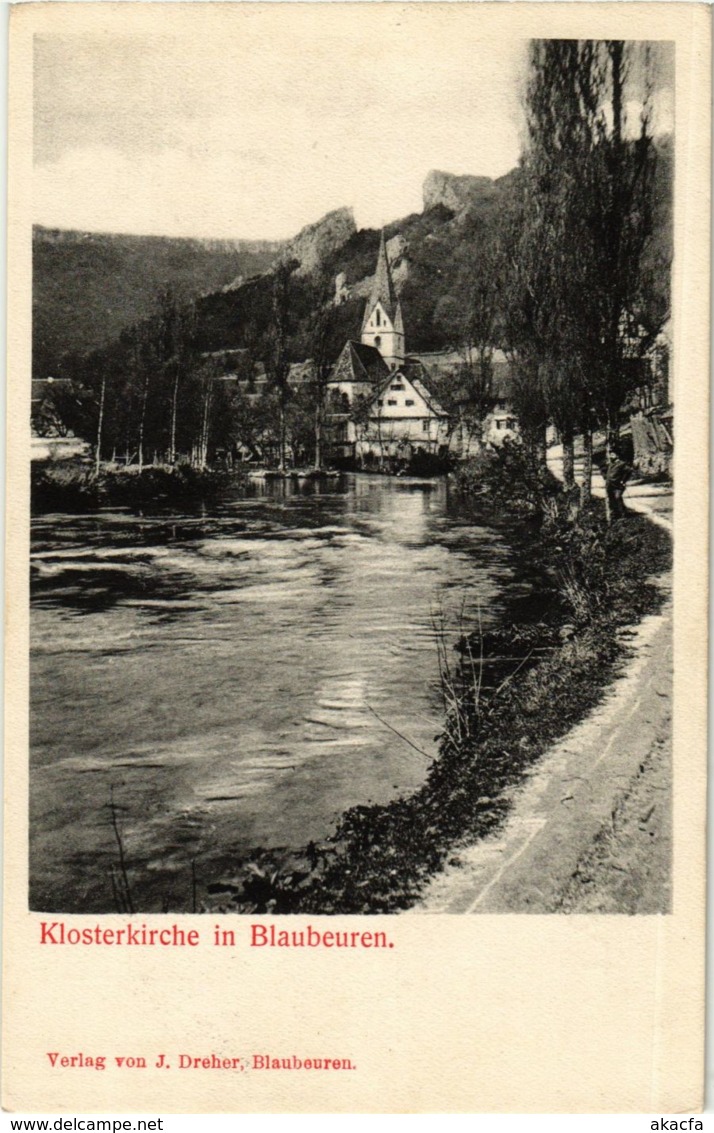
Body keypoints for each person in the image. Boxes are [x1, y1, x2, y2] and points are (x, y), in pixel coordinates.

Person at [604, 444, 634, 521]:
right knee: (612, 500)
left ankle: (623, 515)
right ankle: (615, 515)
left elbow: (629, 470)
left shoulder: (621, 464)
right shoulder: (611, 464)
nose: (611, 456)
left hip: (618, 485)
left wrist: (623, 480)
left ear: (617, 455)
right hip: (610, 485)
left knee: (617, 498)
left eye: (613, 454)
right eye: (610, 454)